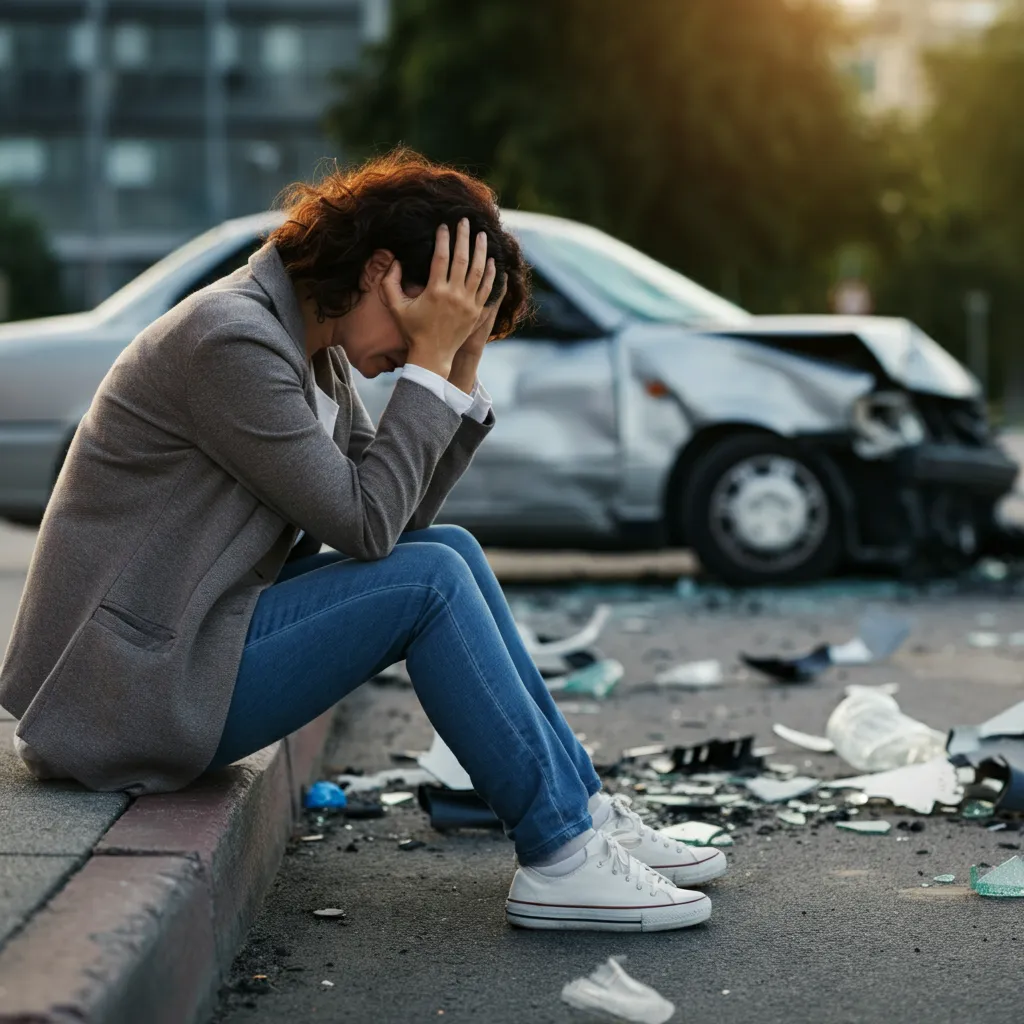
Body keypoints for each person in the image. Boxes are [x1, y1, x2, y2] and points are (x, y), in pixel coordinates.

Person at [0, 149, 725, 932]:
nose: (420, 347)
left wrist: (460, 369)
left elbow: (400, 523)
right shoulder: (231, 340)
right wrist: (432, 369)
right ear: (381, 268)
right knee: (431, 581)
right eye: (425, 321)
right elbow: (368, 527)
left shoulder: (313, 356)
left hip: (179, 653)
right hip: (124, 696)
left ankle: (582, 811)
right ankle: (560, 857)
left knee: (448, 554)